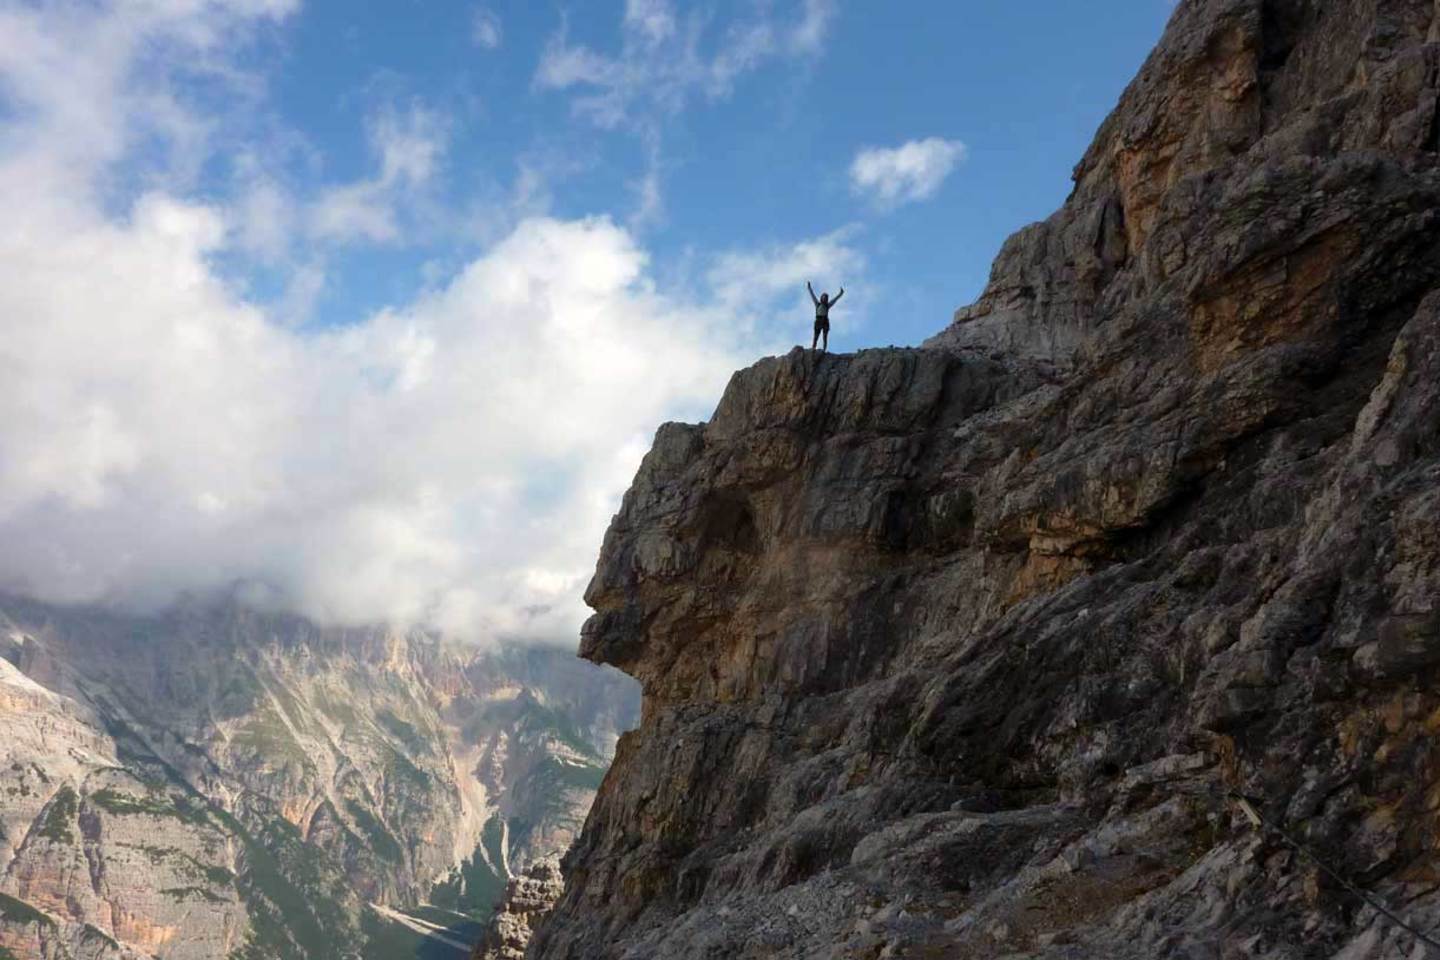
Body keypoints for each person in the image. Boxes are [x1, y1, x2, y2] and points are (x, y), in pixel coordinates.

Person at [807, 281, 844, 352]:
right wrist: (809, 288)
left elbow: (835, 299)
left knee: (825, 336)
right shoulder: (817, 304)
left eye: (825, 298)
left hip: (825, 321)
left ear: (826, 299)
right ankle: (813, 348)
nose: (824, 298)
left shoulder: (827, 305)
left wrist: (840, 294)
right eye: (823, 297)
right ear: (821, 298)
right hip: (818, 321)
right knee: (816, 336)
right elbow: (813, 296)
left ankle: (824, 349)